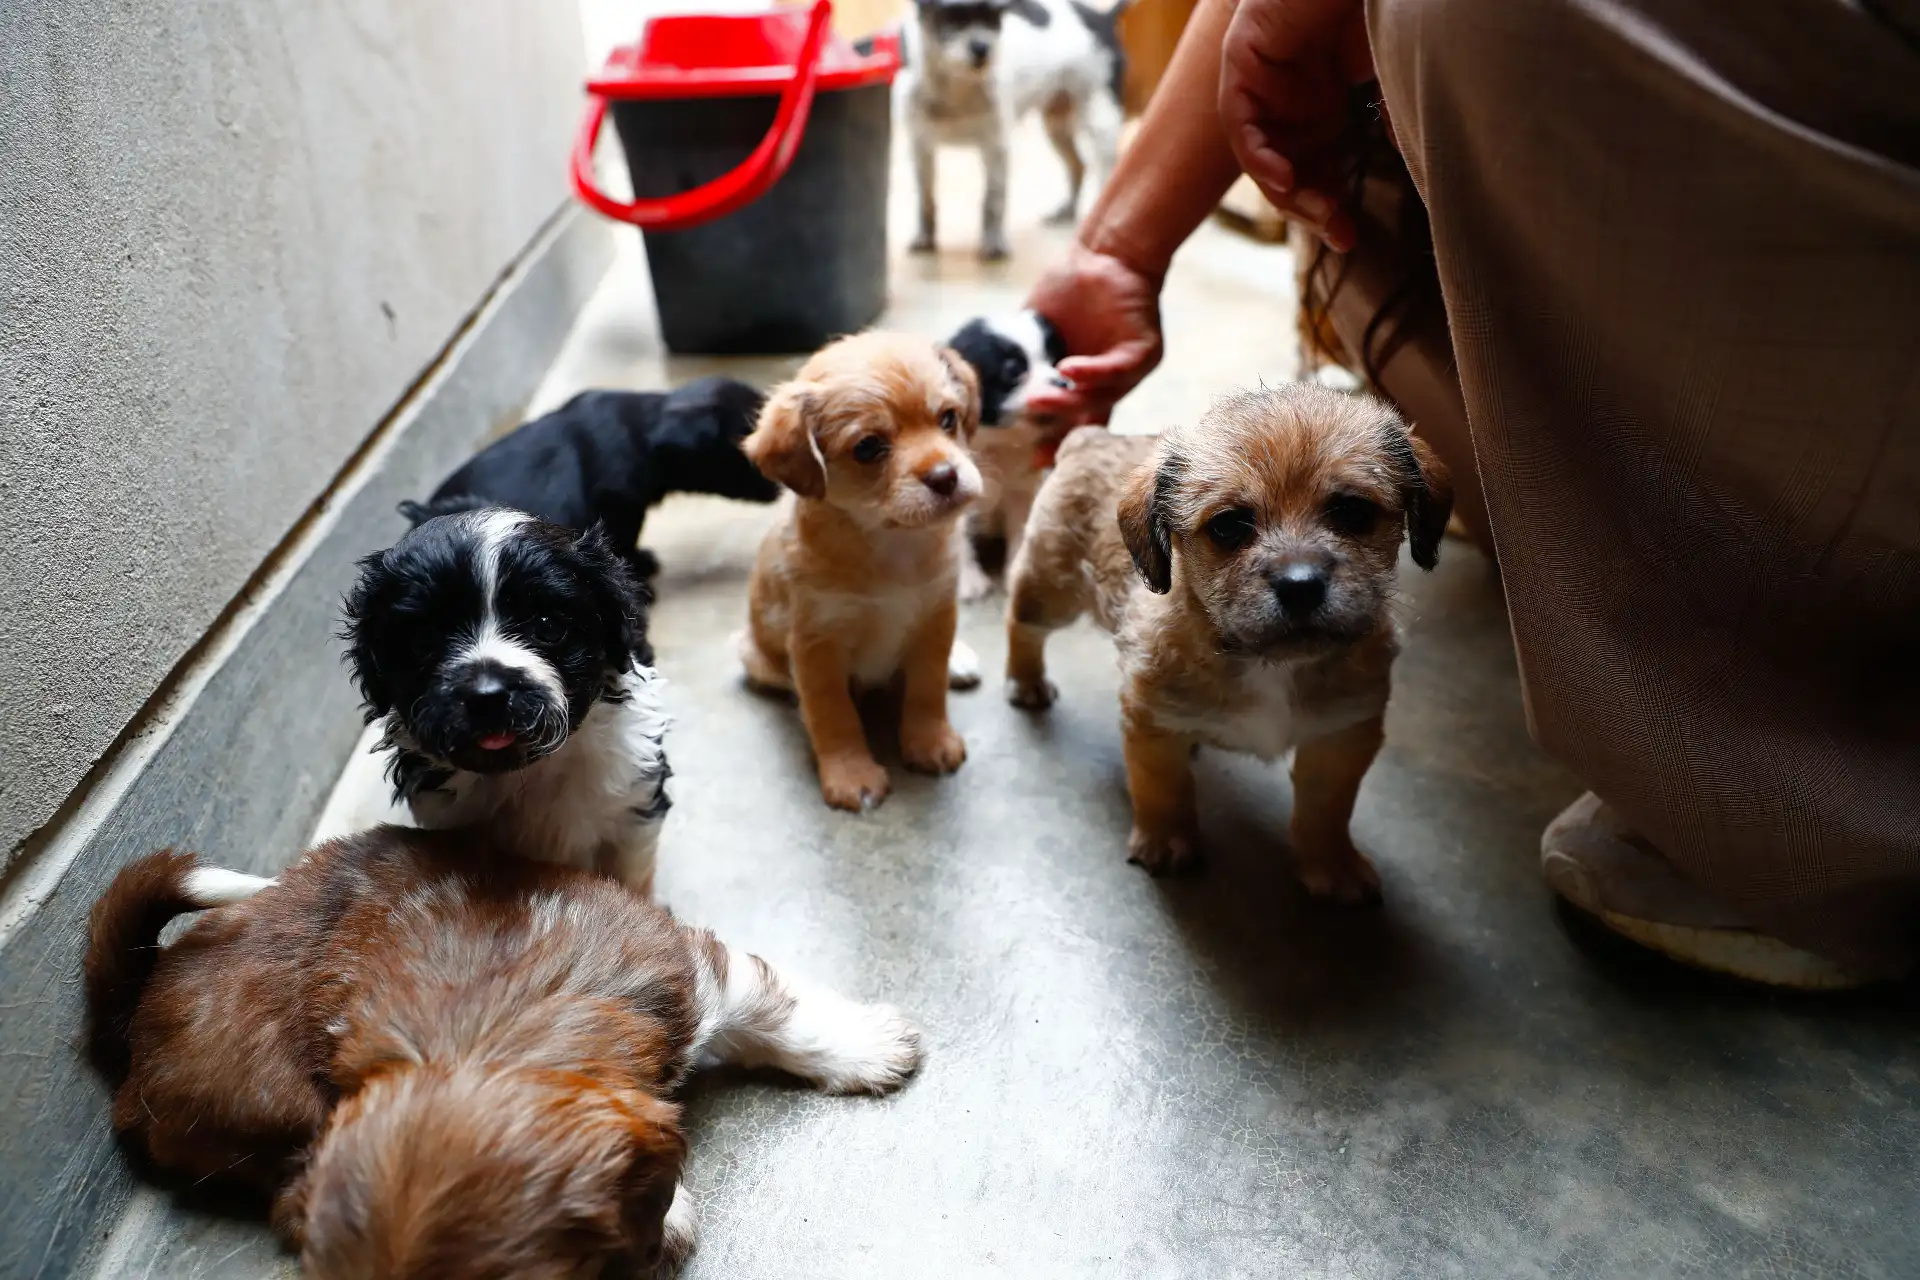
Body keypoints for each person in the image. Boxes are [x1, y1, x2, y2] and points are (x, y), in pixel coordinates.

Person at [1023, 0, 1920, 987]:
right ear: (1164, 541)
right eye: (1232, 529)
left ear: (1413, 514)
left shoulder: (1363, 651)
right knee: (1357, 150)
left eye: (1354, 512)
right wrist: (1120, 247)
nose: (1299, 567)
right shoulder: (1156, 592)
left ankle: (1809, 787)